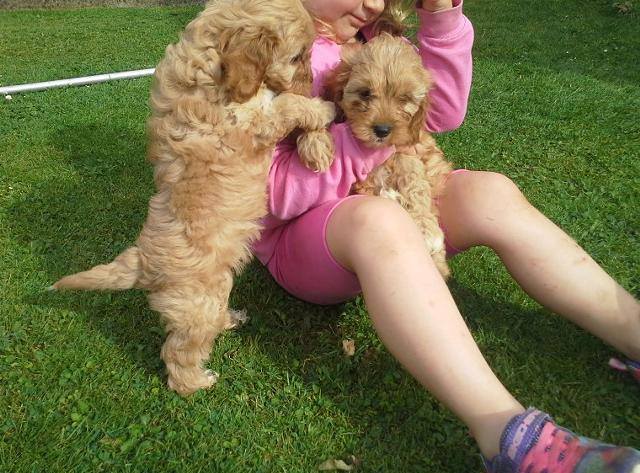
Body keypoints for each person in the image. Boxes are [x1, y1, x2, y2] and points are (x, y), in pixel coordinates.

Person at [251, 0, 640, 471]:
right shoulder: (265, 45)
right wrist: (360, 145)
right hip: (303, 242)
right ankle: (507, 434)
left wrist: (441, 17)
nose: (373, 2)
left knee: (490, 193)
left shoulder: (376, 37)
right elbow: (267, 197)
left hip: (395, 195)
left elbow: (442, 114)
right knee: (378, 219)